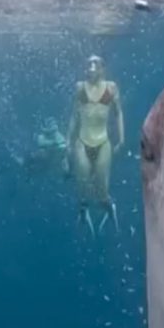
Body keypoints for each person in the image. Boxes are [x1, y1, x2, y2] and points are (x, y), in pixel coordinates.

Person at [66, 55, 124, 237]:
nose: (91, 67)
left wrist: (121, 138)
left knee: (102, 189)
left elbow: (118, 113)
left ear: (102, 68)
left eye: (95, 64)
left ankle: (109, 208)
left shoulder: (111, 88)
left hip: (103, 143)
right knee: (82, 186)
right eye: (88, 64)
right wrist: (69, 140)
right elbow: (74, 116)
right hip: (82, 143)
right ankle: (83, 211)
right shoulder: (79, 88)